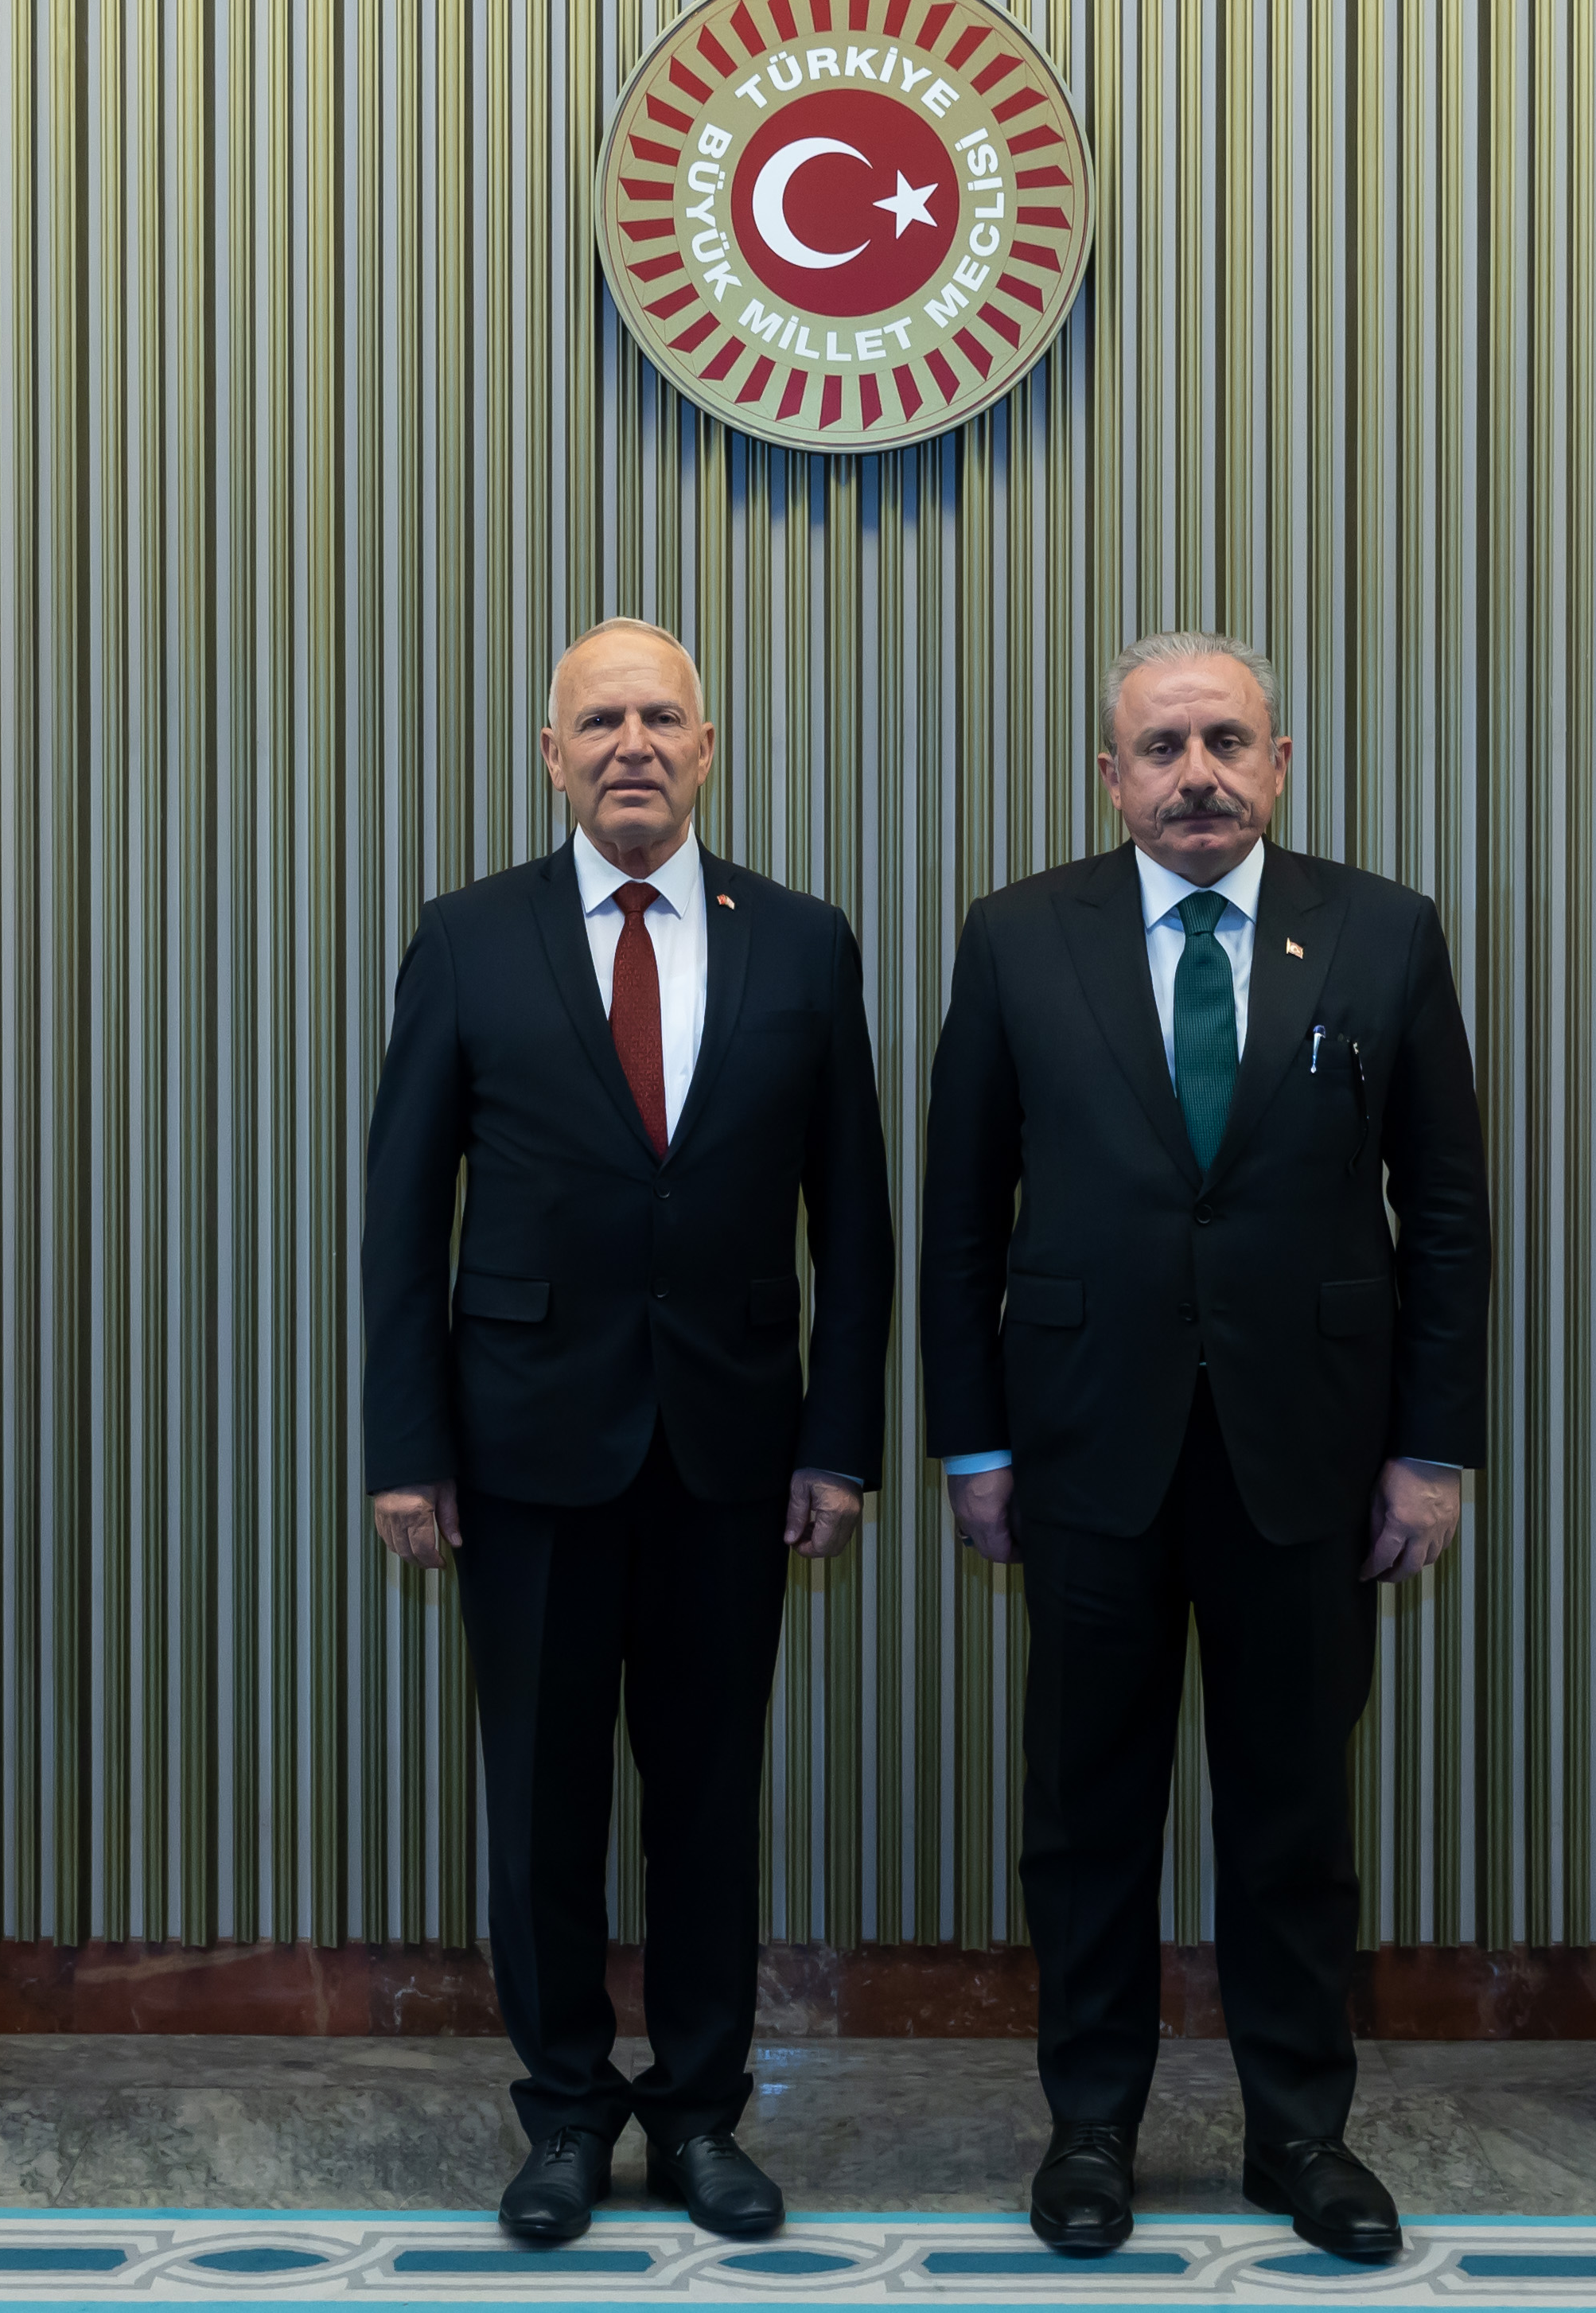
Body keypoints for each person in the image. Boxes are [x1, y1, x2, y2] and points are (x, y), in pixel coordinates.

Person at [919, 631, 1491, 2263]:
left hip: (1310, 1458)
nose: (1197, 776)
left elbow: (1448, 1217)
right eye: (1162, 749)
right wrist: (972, 1445)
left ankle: (1299, 2133)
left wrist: (1431, 1450)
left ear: (1280, 762)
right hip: (1084, 1450)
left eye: (1227, 742)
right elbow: (960, 1222)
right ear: (1111, 778)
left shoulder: (1383, 933)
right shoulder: (1019, 936)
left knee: (1293, 1818)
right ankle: (1090, 2128)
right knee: (1086, 1817)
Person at [361, 617, 896, 2245]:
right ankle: (567, 2115)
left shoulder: (803, 942)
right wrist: (406, 1449)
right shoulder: (469, 937)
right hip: (523, 1454)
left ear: (708, 748)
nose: (633, 746)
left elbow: (856, 1223)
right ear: (552, 756)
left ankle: (703, 2114)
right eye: (600, 722)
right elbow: (404, 1216)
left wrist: (840, 1442)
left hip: (733, 1454)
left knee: (709, 1804)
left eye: (663, 717)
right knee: (541, 1804)